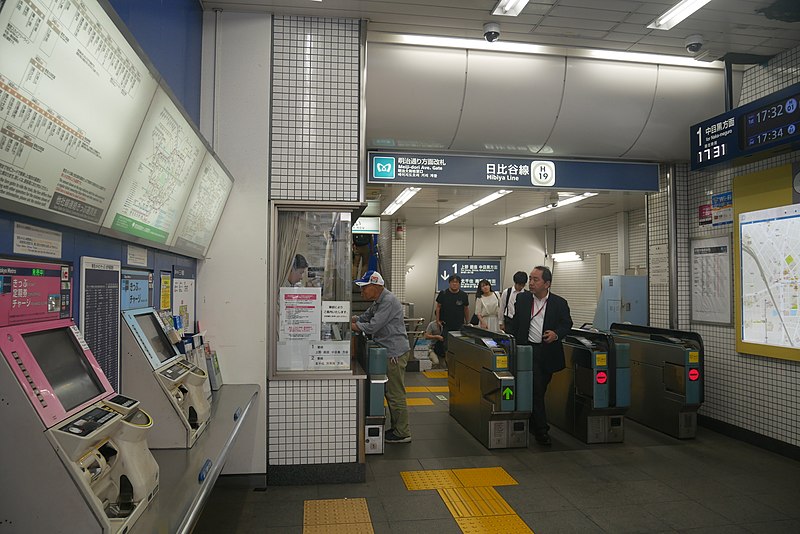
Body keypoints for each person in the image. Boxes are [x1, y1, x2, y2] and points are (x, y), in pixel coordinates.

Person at [511, 266, 573, 446]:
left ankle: (534, 422)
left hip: (546, 352)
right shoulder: (522, 299)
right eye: (530, 278)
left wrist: (556, 334)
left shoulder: (559, 303)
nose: (531, 283)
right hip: (525, 350)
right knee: (535, 390)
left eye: (535, 279)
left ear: (547, 283)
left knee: (539, 389)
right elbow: (515, 324)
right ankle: (541, 430)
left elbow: (567, 324)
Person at [350, 270, 411, 443]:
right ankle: (397, 427)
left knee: (395, 393)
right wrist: (350, 318)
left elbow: (371, 326)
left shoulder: (388, 301)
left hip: (395, 353)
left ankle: (402, 432)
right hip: (388, 352)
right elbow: (364, 317)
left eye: (364, 288)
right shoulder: (378, 301)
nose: (362, 292)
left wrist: (352, 324)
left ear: (376, 286)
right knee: (389, 392)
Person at [435, 274, 470, 361]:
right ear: (449, 283)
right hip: (445, 324)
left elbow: (466, 309)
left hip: (459, 324)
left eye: (456, 282)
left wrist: (467, 322)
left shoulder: (464, 295)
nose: (454, 284)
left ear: (459, 284)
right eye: (452, 282)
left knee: (459, 345)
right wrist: (437, 320)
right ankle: (448, 364)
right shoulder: (443, 293)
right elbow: (438, 307)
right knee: (446, 346)